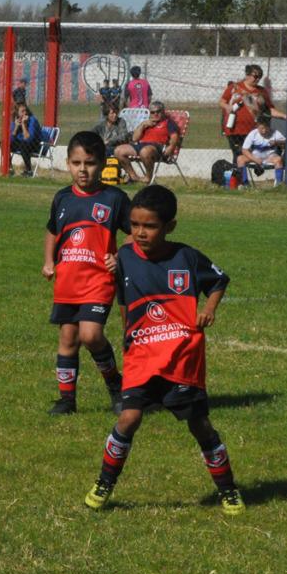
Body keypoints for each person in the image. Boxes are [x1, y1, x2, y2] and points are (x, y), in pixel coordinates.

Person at [84, 185, 244, 516]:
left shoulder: (186, 257)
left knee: (200, 425)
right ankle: (104, 483)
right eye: (135, 225)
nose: (140, 232)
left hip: (182, 355)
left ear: (170, 226)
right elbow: (126, 298)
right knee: (129, 418)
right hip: (142, 355)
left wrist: (209, 309)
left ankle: (228, 490)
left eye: (150, 226)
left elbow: (218, 281)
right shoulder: (126, 257)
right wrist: (128, 332)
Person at [42, 131, 131, 416]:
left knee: (91, 335)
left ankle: (116, 386)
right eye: (76, 163)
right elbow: (52, 231)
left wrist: (119, 256)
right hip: (67, 279)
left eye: (90, 163)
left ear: (103, 164)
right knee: (68, 338)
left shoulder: (114, 198)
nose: (83, 170)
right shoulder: (63, 198)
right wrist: (48, 262)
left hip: (98, 280)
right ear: (68, 163)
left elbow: (137, 232)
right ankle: (67, 400)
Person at [219, 63, 285, 160]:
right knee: (239, 155)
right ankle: (237, 174)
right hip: (235, 130)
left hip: (254, 130)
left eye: (260, 77)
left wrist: (284, 116)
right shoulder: (235, 88)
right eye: (255, 76)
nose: (258, 79)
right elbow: (222, 101)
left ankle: (250, 171)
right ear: (247, 75)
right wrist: (227, 107)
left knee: (253, 156)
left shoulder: (261, 91)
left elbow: (269, 109)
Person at [114, 101, 178, 184]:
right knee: (118, 151)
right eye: (153, 112)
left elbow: (174, 137)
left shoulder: (168, 123)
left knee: (145, 151)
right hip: (141, 145)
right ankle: (133, 176)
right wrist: (143, 125)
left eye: (158, 111)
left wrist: (171, 147)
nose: (155, 114)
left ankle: (148, 177)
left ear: (163, 112)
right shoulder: (146, 123)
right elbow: (134, 138)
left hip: (157, 147)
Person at [235, 114, 285, 186]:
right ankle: (245, 184)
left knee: (278, 160)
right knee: (240, 159)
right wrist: (255, 159)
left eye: (266, 128)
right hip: (255, 157)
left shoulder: (275, 132)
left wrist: (277, 142)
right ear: (257, 126)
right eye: (262, 128)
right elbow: (244, 150)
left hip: (270, 157)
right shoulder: (253, 134)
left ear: (269, 126)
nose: (264, 131)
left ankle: (278, 185)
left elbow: (285, 141)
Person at [9, 101, 42, 176]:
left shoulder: (32, 120)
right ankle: (9, 168)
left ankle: (29, 170)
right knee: (4, 143)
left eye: (25, 110)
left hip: (34, 146)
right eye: (22, 111)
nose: (25, 113)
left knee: (23, 144)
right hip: (21, 145)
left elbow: (28, 139)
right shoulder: (15, 121)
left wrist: (24, 124)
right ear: (17, 113)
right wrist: (16, 127)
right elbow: (11, 139)